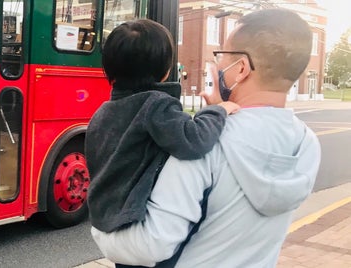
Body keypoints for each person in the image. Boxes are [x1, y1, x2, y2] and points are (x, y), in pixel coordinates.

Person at [91, 9, 321, 268]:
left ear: (241, 68)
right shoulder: (307, 143)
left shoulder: (207, 143)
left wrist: (99, 231)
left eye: (222, 56)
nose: (218, 65)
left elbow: (151, 245)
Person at [86, 19, 239, 235]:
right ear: (165, 70)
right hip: (136, 218)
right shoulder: (156, 104)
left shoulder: (103, 111)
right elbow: (193, 140)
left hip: (106, 219)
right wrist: (218, 110)